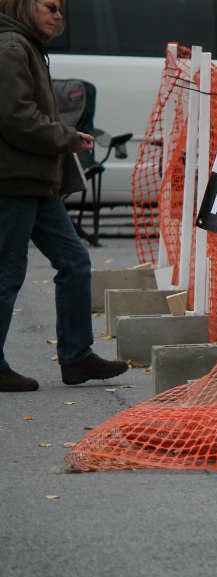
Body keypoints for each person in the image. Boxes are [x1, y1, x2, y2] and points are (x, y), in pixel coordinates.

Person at [0, 0, 129, 393]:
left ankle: (76, 358)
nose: (59, 15)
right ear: (23, 6)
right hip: (13, 180)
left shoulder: (26, 45)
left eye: (62, 9)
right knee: (7, 272)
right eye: (51, 7)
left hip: (37, 179)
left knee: (74, 260)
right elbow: (15, 117)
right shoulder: (10, 47)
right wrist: (67, 138)